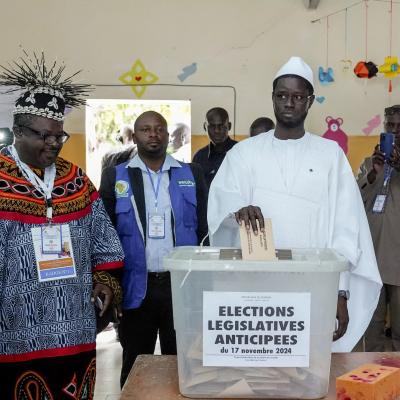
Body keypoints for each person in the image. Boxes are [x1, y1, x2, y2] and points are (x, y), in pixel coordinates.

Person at [207, 56, 382, 352]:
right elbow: (223, 198)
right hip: (256, 290)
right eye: (283, 95)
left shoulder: (331, 155)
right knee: (260, 367)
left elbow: (345, 226)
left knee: (309, 368)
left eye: (298, 96)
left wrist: (341, 291)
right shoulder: (244, 154)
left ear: (310, 101)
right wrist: (238, 210)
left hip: (315, 288)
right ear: (273, 98)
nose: (290, 102)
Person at [0, 53, 124, 399]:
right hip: (14, 329)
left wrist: (105, 281)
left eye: (60, 137)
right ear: (19, 132)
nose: (54, 144)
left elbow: (105, 241)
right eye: (45, 136)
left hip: (75, 328)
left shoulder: (75, 179)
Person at [99, 110, 208, 387]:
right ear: (135, 136)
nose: (153, 134)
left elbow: (205, 229)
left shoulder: (190, 173)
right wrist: (110, 281)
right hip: (137, 287)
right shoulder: (116, 177)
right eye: (145, 129)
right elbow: (105, 233)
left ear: (168, 135)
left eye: (159, 129)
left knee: (183, 362)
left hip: (180, 287)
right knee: (135, 362)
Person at [357, 104, 400, 351]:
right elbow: (354, 199)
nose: (394, 131)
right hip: (372, 259)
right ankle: (372, 379)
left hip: (397, 260)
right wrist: (373, 174)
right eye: (389, 126)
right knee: (371, 326)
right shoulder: (369, 163)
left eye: (399, 127)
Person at [192, 107, 237, 188]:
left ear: (229, 126)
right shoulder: (199, 157)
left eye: (221, 126)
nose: (217, 131)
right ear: (205, 127)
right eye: (212, 126)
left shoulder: (241, 152)